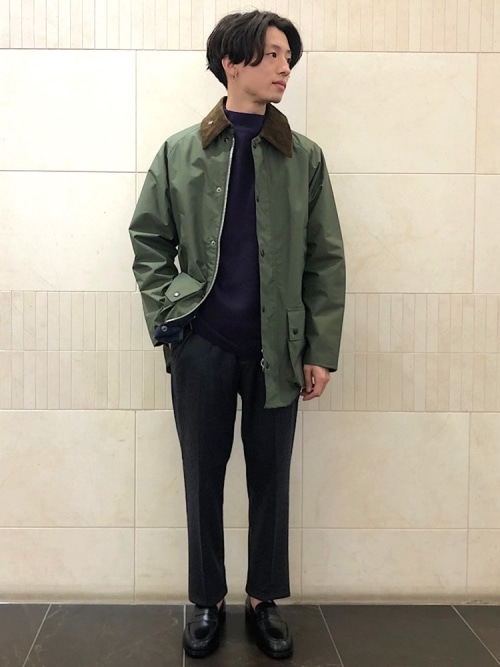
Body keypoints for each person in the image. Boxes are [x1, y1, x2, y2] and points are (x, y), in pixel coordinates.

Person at [129, 9, 345, 660]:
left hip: (278, 348)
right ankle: (205, 598)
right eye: (273, 54)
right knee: (202, 475)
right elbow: (148, 240)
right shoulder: (181, 152)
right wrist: (176, 315)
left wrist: (319, 349)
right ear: (232, 61)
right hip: (202, 344)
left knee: (271, 476)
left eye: (289, 58)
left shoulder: (304, 157)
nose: (285, 68)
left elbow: (325, 258)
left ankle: (263, 599)